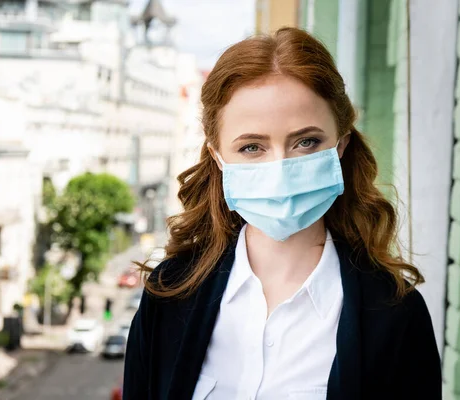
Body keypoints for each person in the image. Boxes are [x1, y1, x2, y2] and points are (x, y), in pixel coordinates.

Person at [123, 27, 441, 400]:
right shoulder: (169, 294)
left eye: (306, 142)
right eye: (252, 147)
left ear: (340, 146)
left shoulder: (395, 314)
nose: (280, 167)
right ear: (218, 156)